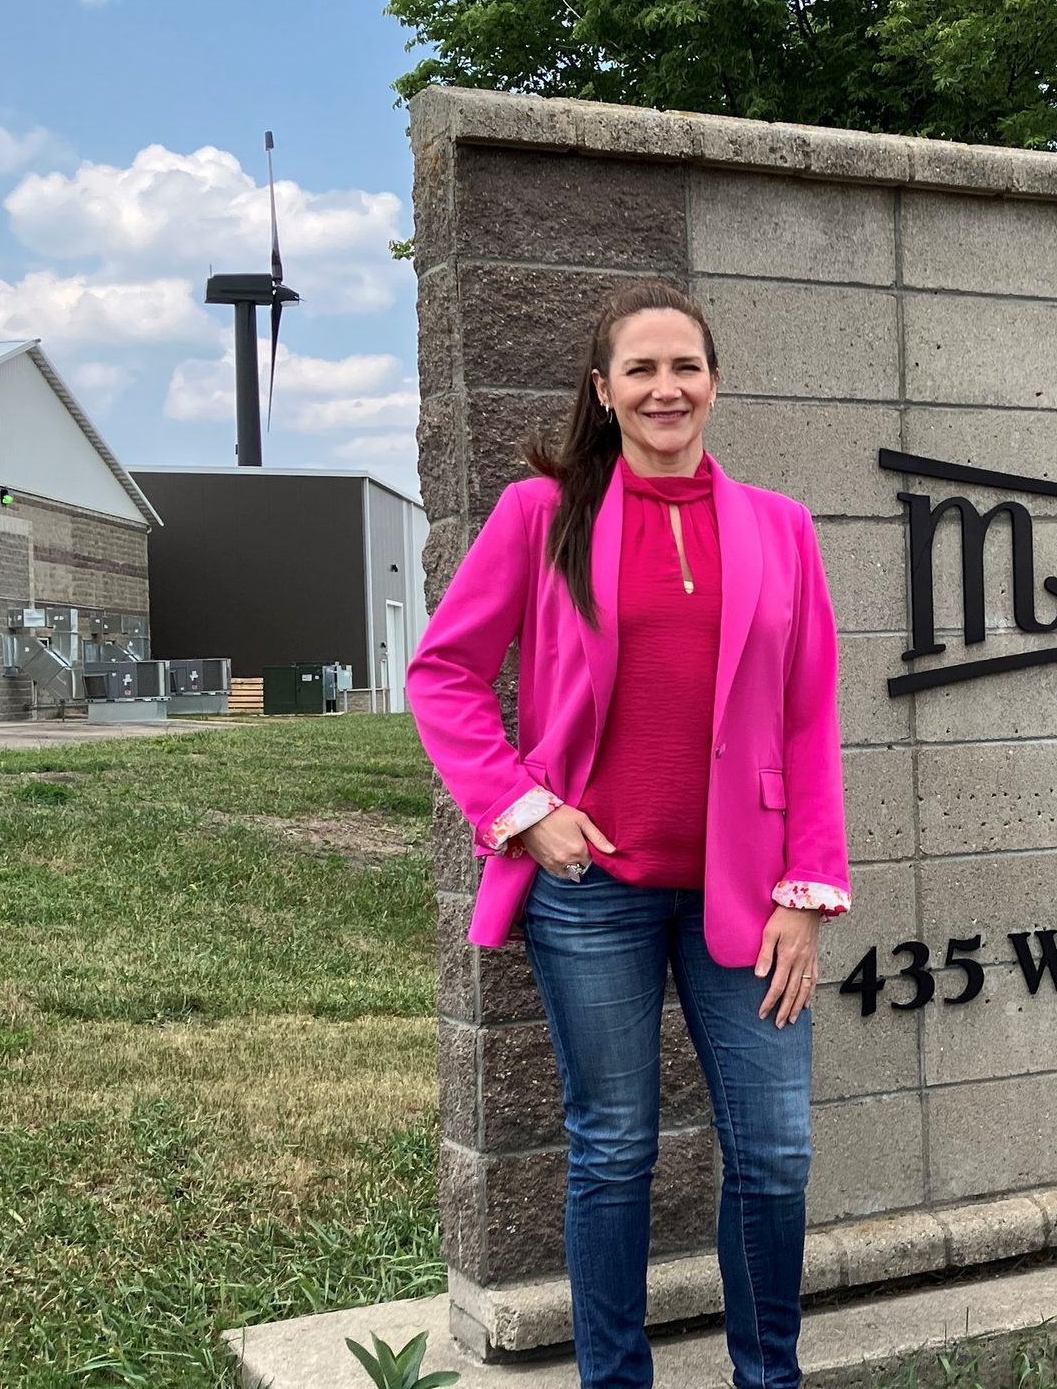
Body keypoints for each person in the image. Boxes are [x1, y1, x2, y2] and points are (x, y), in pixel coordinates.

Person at [407, 278, 852, 1389]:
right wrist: (523, 811)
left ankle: (769, 1377)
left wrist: (808, 891)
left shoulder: (780, 528)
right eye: (641, 370)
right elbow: (445, 676)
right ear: (603, 392)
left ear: (714, 383)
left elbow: (808, 715)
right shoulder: (541, 515)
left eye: (685, 367)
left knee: (776, 1152)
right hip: (592, 892)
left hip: (744, 894)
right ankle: (615, 1378)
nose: (667, 388)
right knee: (614, 1150)